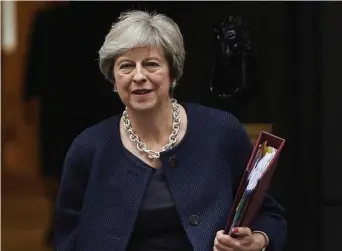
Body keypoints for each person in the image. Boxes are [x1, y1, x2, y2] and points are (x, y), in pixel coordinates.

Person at [53, 9, 287, 251]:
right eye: (126, 66)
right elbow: (66, 237)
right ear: (113, 80)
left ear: (173, 73)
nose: (139, 76)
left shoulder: (221, 131)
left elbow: (268, 214)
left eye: (151, 64)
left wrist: (257, 240)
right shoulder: (89, 148)